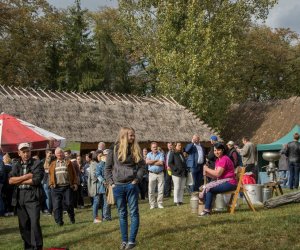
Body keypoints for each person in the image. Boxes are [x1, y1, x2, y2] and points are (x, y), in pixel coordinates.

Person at [105, 127, 145, 250]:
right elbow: (107, 168)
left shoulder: (135, 149)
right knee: (122, 214)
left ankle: (131, 241)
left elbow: (142, 167)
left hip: (131, 185)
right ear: (123, 136)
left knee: (133, 213)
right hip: (117, 186)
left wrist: (136, 179)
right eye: (131, 135)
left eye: (134, 135)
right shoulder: (114, 149)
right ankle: (124, 240)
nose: (133, 138)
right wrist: (111, 183)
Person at [8, 142, 44, 249]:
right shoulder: (15, 164)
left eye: (27, 151)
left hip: (32, 195)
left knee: (34, 224)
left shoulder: (37, 163)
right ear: (19, 153)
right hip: (19, 197)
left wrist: (18, 180)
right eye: (23, 152)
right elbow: (10, 180)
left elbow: (36, 180)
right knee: (24, 225)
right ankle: (28, 247)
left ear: (30, 151)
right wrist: (26, 176)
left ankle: (37, 247)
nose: (26, 154)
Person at [199, 142, 237, 216]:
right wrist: (207, 173)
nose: (216, 152)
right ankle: (207, 210)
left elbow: (217, 174)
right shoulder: (218, 160)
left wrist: (207, 169)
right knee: (209, 188)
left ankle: (207, 210)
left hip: (230, 182)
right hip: (224, 181)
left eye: (218, 150)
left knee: (209, 188)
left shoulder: (224, 159)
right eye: (215, 150)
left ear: (222, 150)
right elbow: (216, 176)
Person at [49, 147, 78, 226]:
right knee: (57, 206)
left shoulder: (68, 162)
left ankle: (72, 217)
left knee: (69, 204)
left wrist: (75, 183)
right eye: (58, 153)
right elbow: (50, 175)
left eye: (61, 153)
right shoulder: (52, 164)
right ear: (55, 154)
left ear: (63, 154)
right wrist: (51, 183)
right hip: (56, 188)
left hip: (67, 187)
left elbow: (74, 174)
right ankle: (59, 222)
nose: (59, 154)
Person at [146, 142, 165, 209]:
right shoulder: (148, 154)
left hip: (160, 173)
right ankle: (152, 204)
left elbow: (161, 163)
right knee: (151, 190)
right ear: (151, 148)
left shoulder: (161, 154)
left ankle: (159, 203)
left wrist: (152, 162)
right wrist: (156, 160)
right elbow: (147, 162)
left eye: (156, 147)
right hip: (151, 174)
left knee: (161, 190)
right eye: (154, 147)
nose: (155, 148)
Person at [95, 149, 112, 221]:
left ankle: (107, 216)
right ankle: (106, 217)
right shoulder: (100, 164)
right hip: (104, 185)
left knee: (109, 201)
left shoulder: (110, 163)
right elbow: (98, 174)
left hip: (110, 184)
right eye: (105, 155)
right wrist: (103, 181)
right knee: (106, 201)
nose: (107, 156)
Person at [41, 149, 53, 215]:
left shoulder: (53, 161)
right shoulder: (42, 161)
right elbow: (41, 172)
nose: (50, 154)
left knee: (52, 196)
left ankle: (51, 210)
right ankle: (49, 210)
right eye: (49, 153)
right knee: (47, 196)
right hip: (45, 181)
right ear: (46, 153)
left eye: (51, 153)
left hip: (52, 181)